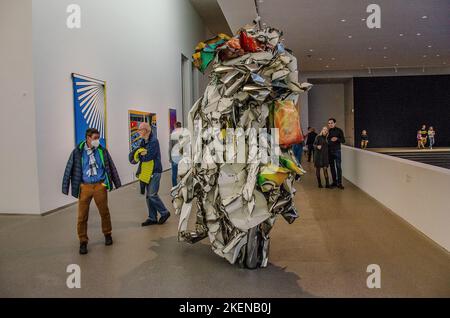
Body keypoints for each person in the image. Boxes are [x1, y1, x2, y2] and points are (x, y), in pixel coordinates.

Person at [62, 128, 122, 255]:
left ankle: (107, 234)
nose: (97, 140)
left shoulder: (102, 150)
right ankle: (83, 241)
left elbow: (110, 166)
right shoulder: (77, 152)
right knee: (82, 216)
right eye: (95, 138)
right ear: (88, 138)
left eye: (98, 138)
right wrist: (65, 187)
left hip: (100, 186)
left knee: (104, 212)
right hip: (85, 187)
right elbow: (69, 168)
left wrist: (115, 183)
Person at [133, 122, 170, 227]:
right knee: (148, 197)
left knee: (152, 194)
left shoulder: (154, 141)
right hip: (146, 172)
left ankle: (164, 212)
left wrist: (142, 154)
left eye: (140, 129)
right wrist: (141, 153)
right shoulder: (144, 141)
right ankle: (152, 218)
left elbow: (148, 156)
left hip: (155, 171)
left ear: (146, 130)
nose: (138, 131)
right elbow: (138, 152)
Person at [327, 118, 346, 189]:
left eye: (331, 123)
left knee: (338, 167)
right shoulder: (328, 131)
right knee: (332, 167)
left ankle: (340, 183)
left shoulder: (339, 130)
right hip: (329, 151)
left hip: (337, 151)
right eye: (329, 123)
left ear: (335, 123)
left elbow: (343, 140)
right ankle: (334, 182)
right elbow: (326, 141)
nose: (330, 124)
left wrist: (337, 139)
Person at [169, 122, 183, 187]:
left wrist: (170, 158)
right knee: (182, 173)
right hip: (182, 157)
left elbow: (170, 148)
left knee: (174, 174)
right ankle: (182, 187)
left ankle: (175, 188)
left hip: (175, 157)